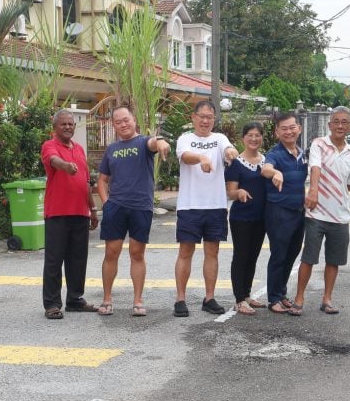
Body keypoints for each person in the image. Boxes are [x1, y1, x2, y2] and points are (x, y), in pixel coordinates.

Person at [96, 105, 170, 317]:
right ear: (113, 125)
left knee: (137, 254)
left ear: (134, 119)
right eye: (118, 122)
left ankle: (138, 301)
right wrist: (106, 202)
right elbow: (102, 180)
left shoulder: (143, 142)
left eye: (126, 120)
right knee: (111, 253)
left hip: (141, 207)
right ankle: (107, 299)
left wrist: (161, 140)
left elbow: (154, 142)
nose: (123, 124)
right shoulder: (111, 149)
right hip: (116, 208)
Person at [173, 100, 239, 317]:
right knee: (186, 252)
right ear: (193, 117)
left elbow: (228, 149)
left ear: (214, 119)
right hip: (189, 205)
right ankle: (180, 299)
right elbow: (185, 156)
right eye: (201, 116)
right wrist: (201, 157)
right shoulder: (185, 139)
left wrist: (231, 152)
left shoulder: (219, 139)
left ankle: (209, 298)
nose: (205, 120)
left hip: (215, 205)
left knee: (213, 252)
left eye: (209, 117)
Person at [291, 106, 350, 315]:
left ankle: (327, 299)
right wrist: (314, 190)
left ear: (349, 126)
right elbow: (315, 168)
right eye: (336, 121)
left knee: (334, 260)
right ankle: (299, 299)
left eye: (344, 122)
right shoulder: (318, 144)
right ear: (329, 125)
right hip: (316, 214)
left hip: (340, 216)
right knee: (308, 258)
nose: (339, 125)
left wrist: (335, 192)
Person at [40, 109, 99, 319]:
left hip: (80, 212)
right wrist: (66, 166)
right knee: (54, 260)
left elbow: (85, 182)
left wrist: (92, 209)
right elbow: (54, 161)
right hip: (57, 213)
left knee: (78, 259)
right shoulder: (49, 146)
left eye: (71, 124)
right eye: (63, 124)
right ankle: (52, 304)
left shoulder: (80, 150)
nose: (67, 127)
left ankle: (75, 299)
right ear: (55, 127)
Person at [260, 112, 308, 315]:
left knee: (292, 254)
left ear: (299, 129)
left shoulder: (303, 154)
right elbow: (265, 169)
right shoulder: (275, 154)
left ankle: (281, 293)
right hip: (279, 212)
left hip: (299, 212)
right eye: (284, 129)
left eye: (292, 127)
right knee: (279, 254)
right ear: (277, 132)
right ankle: (273, 299)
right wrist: (276, 172)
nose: (288, 132)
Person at [225, 121, 269, 315]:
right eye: (250, 135)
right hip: (241, 218)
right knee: (241, 257)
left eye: (257, 135)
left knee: (253, 257)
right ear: (243, 138)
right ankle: (239, 299)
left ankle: (247, 294)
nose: (254, 139)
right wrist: (239, 191)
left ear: (262, 138)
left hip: (261, 218)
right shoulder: (236, 163)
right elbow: (230, 192)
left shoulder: (266, 162)